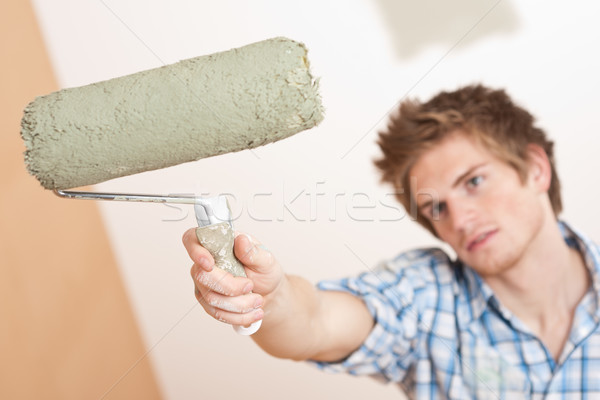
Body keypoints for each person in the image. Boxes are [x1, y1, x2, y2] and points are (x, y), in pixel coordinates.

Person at [182, 84, 600, 399]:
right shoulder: (427, 295)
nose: (460, 218)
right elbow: (318, 322)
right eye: (437, 208)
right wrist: (270, 301)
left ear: (535, 169)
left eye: (474, 182)